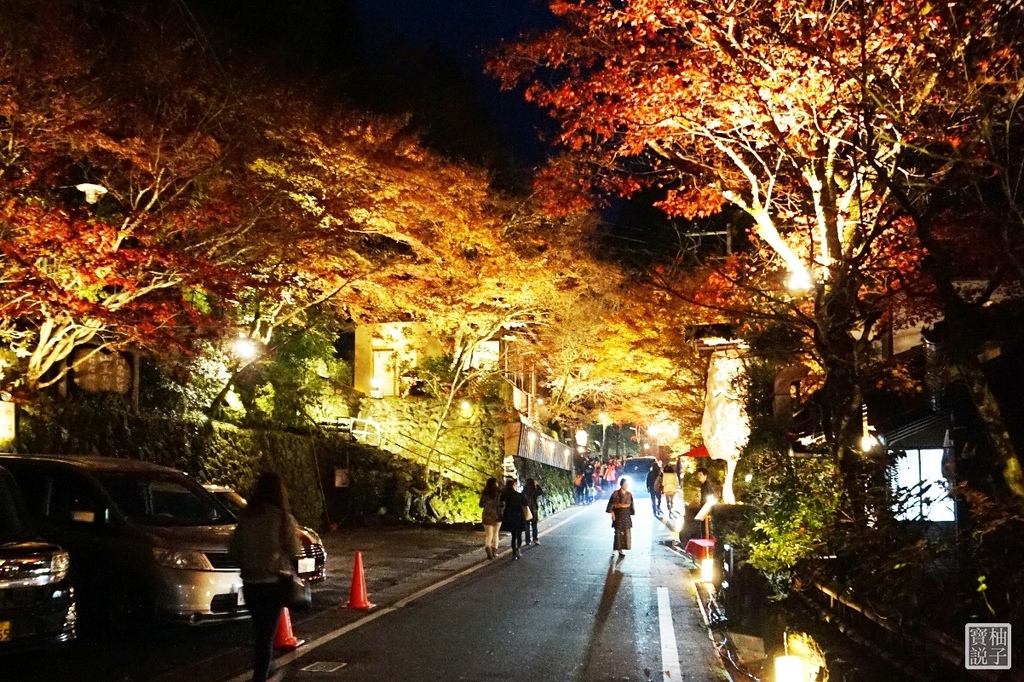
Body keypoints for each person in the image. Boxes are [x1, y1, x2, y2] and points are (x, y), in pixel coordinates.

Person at [229, 472, 302, 682]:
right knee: (266, 635)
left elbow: (234, 550)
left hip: (250, 584)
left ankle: (267, 666)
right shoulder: (282, 518)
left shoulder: (247, 517)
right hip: (272, 584)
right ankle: (261, 675)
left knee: (261, 631)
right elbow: (294, 550)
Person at [606, 477, 635, 558]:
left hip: (626, 514)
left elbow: (631, 505)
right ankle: (616, 548)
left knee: (626, 532)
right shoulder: (616, 493)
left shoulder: (629, 494)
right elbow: (611, 504)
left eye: (627, 484)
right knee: (618, 532)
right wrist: (612, 513)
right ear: (621, 484)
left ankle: (621, 549)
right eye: (625, 484)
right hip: (618, 514)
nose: (626, 485)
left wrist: (631, 512)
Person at [499, 478, 528, 559]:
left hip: (509, 516)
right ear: (513, 485)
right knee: (518, 534)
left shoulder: (504, 495)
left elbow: (501, 503)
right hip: (518, 516)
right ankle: (518, 548)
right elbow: (526, 503)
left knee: (513, 535)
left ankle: (514, 552)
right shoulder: (518, 495)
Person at [479, 477, 503, 560]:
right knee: (496, 533)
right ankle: (494, 551)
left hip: (487, 514)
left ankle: (488, 552)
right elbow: (502, 504)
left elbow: (481, 504)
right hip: (497, 514)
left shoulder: (484, 493)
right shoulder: (499, 492)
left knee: (489, 535)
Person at [522, 478, 543, 545]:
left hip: (526, 509)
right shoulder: (534, 490)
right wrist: (537, 485)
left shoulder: (524, 490)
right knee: (534, 525)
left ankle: (528, 540)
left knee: (527, 525)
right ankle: (535, 539)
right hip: (533, 509)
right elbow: (541, 492)